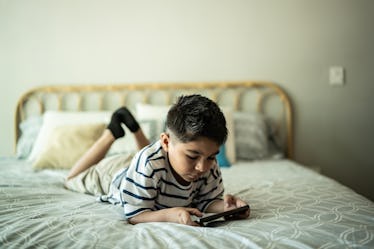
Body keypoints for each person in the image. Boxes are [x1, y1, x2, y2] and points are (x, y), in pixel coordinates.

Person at [65, 94, 250, 226]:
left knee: (149, 160)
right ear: (166, 142)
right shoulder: (149, 164)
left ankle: (134, 128)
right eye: (192, 156)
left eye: (211, 157)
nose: (202, 167)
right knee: (71, 179)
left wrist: (227, 207)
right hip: (114, 173)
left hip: (148, 165)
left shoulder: (207, 163)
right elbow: (135, 215)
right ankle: (111, 132)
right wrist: (171, 215)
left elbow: (207, 202)